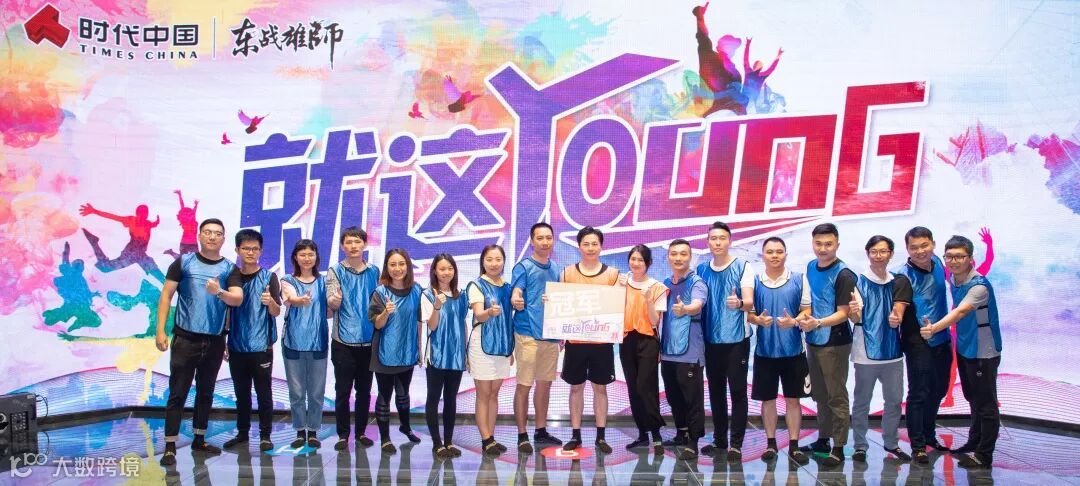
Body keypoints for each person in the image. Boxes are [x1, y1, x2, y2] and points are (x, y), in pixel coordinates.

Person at [155, 218, 243, 466]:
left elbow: (237, 299)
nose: (212, 237)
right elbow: (166, 296)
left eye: (217, 233)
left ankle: (199, 439)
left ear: (223, 239)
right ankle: (170, 445)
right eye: (208, 232)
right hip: (185, 338)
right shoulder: (184, 262)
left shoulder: (229, 269)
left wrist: (219, 292)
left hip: (214, 341)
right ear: (199, 236)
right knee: (178, 392)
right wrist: (160, 331)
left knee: (206, 392)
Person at [922, 235, 1003, 469]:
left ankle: (984, 455)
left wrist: (934, 329)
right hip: (966, 347)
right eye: (950, 257)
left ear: (970, 259)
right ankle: (974, 442)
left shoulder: (978, 286)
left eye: (960, 257)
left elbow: (959, 312)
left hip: (984, 352)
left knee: (986, 404)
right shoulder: (954, 279)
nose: (954, 261)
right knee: (973, 399)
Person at [847, 236, 912, 462]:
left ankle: (892, 443)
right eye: (874, 251)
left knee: (894, 401)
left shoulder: (898, 281)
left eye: (883, 251)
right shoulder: (857, 281)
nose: (878, 256)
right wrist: (854, 312)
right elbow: (855, 318)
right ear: (868, 253)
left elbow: (899, 312)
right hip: (865, 352)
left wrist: (896, 319)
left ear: (891, 254)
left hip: (892, 352)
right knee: (862, 401)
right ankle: (860, 445)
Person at [746, 237, 810, 465]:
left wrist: (795, 321)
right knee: (768, 400)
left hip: (794, 352)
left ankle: (794, 445)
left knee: (793, 400)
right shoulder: (754, 282)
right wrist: (757, 320)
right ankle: (770, 444)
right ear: (763, 255)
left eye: (779, 251)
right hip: (765, 353)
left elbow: (807, 310)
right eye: (770, 251)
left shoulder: (799, 279)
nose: (774, 255)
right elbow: (749, 313)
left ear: (786, 254)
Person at [798, 223, 856, 467]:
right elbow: (809, 302)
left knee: (836, 396)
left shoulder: (844, 274)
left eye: (828, 244)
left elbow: (844, 313)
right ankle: (823, 440)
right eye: (818, 243)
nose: (823, 249)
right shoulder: (811, 266)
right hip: (813, 339)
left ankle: (839, 447)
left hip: (835, 342)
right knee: (820, 394)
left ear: (837, 245)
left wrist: (818, 322)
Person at [560, 226, 621, 454]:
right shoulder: (567, 273)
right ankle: (575, 435)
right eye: (586, 244)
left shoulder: (613, 274)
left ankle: (601, 437)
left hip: (602, 343)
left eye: (594, 243)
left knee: (600, 388)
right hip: (575, 343)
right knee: (575, 388)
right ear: (579, 246)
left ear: (601, 246)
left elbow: (617, 306)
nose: (590, 248)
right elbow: (560, 305)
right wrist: (551, 302)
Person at [696, 222, 754, 459]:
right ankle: (720, 441)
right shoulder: (701, 270)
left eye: (722, 238)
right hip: (710, 341)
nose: (717, 242)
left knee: (738, 391)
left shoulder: (742, 266)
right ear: (707, 242)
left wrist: (739, 303)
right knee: (716, 391)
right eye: (713, 238)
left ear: (730, 241)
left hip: (736, 340)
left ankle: (736, 444)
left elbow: (750, 302)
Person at [895, 226, 953, 462]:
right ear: (907, 249)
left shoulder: (938, 262)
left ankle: (929, 435)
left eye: (924, 246)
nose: (920, 251)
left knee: (939, 390)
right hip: (917, 341)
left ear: (933, 245)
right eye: (914, 247)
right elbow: (898, 308)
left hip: (942, 337)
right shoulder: (903, 276)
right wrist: (894, 318)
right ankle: (918, 445)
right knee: (919, 392)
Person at [222, 229, 281, 452]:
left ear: (261, 251)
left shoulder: (269, 277)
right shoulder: (231, 277)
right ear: (237, 250)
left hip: (261, 346)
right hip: (236, 345)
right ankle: (242, 433)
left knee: (264, 393)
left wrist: (270, 302)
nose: (250, 252)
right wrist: (224, 340)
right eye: (246, 248)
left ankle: (265, 435)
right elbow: (227, 311)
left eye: (255, 249)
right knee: (241, 394)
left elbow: (276, 311)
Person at [326, 227, 381, 450]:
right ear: (343, 246)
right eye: (349, 242)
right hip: (343, 342)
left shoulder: (374, 271)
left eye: (357, 242)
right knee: (342, 391)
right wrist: (335, 301)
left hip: (368, 341)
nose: (353, 246)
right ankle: (342, 434)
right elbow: (331, 301)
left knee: (364, 392)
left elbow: (379, 300)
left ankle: (360, 433)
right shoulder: (335, 270)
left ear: (364, 245)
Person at [510, 222, 563, 453]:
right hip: (527, 335)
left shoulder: (556, 268)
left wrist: (561, 333)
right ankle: (522, 434)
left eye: (548, 237)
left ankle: (541, 431)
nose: (544, 242)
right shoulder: (523, 267)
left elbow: (561, 302)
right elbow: (516, 292)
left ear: (553, 240)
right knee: (524, 385)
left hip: (550, 336)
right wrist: (516, 299)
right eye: (540, 238)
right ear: (532, 241)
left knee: (545, 385)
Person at [368, 248, 424, 454]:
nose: (397, 268)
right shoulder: (380, 292)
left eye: (401, 264)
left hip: (407, 351)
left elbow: (419, 322)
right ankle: (385, 438)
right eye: (393, 264)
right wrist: (385, 312)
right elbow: (377, 324)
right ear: (387, 268)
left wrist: (419, 349)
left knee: (403, 393)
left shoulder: (417, 290)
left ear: (408, 266)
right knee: (385, 395)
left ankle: (405, 427)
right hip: (384, 352)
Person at [659, 239, 707, 460]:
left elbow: (697, 304)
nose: (678, 258)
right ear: (668, 256)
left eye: (683, 254)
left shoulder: (697, 283)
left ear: (690, 257)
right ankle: (681, 433)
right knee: (673, 396)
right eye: (674, 254)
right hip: (668, 351)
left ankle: (693, 442)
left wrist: (685, 308)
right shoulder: (665, 284)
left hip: (690, 352)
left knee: (692, 399)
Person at [280, 239, 330, 449]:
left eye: (311, 254)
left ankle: (314, 430)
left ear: (317, 257)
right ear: (295, 257)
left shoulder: (325, 282)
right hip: (293, 342)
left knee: (316, 392)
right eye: (302, 254)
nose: (307, 258)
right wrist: (300, 300)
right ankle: (300, 431)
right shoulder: (287, 280)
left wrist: (336, 301)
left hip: (318, 342)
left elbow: (330, 310)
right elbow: (290, 298)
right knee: (297, 392)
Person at [466, 245, 515, 457]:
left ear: (503, 261)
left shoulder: (508, 287)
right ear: (483, 262)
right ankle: (485, 439)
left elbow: (509, 320)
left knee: (494, 393)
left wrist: (510, 349)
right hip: (482, 345)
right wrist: (489, 312)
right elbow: (479, 315)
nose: (494, 263)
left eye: (498, 259)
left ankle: (491, 437)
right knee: (484, 394)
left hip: (502, 345)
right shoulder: (476, 285)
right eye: (489, 259)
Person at [620, 244, 668, 454]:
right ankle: (642, 435)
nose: (636, 263)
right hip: (626, 339)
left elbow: (655, 321)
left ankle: (656, 434)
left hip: (648, 340)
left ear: (648, 263)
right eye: (633, 259)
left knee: (645, 387)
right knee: (633, 387)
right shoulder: (621, 283)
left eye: (640, 260)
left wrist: (648, 300)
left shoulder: (657, 287)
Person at [422, 254, 469, 458]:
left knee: (451, 399)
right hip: (437, 354)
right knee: (433, 398)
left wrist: (465, 352)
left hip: (456, 354)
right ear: (434, 271)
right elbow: (432, 326)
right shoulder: (427, 294)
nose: (446, 272)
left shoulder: (462, 295)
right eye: (442, 269)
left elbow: (463, 323)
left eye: (450, 268)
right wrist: (437, 306)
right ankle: (437, 443)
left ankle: (449, 442)